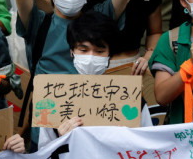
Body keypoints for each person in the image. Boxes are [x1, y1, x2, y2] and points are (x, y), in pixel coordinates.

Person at [37, 11, 154, 148]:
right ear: (72, 52)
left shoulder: (130, 98)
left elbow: (148, 144)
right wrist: (60, 140)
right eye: (83, 50)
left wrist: (128, 137)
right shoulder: (53, 100)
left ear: (109, 56)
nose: (91, 57)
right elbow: (43, 154)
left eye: (99, 51)